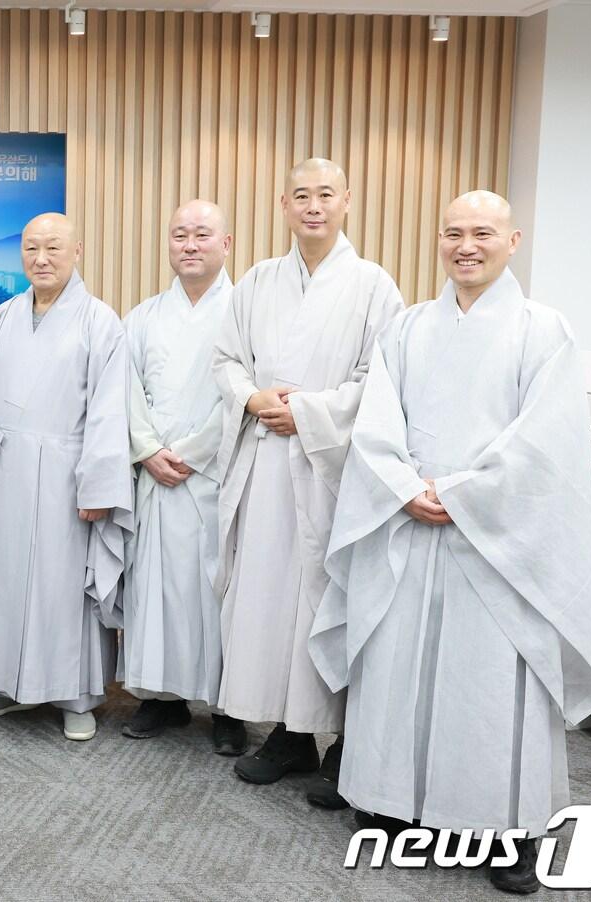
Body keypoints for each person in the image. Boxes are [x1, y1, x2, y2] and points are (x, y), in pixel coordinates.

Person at [310, 191, 591, 894]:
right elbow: (376, 423)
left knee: (491, 684)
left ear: (513, 240)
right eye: (453, 233)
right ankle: (393, 802)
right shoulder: (410, 329)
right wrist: (404, 487)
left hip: (499, 539)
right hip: (410, 519)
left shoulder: (544, 331)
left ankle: (510, 830)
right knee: (398, 667)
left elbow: (546, 446)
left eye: (482, 233)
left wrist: (464, 492)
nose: (465, 245)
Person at [212, 158, 402, 805]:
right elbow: (226, 359)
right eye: (302, 195)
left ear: (346, 201)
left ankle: (343, 740)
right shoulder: (260, 281)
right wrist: (255, 396)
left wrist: (309, 412)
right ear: (284, 205)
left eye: (325, 194)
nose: (313, 206)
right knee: (268, 598)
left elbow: (380, 380)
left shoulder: (375, 287)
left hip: (330, 471)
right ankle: (290, 735)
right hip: (266, 462)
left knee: (327, 599)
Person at [0, 212, 132, 742]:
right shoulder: (2, 318)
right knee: (7, 576)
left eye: (53, 248)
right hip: (7, 467)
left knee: (63, 585)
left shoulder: (100, 321)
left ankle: (75, 695)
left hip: (68, 473)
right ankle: (5, 683)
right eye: (32, 248)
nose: (42, 258)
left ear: (76, 251)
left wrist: (99, 485)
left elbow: (110, 410)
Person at [119, 200, 244, 754]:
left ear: (227, 244)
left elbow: (244, 393)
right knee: (157, 587)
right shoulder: (143, 316)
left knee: (218, 590)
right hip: (157, 474)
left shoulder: (246, 312)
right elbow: (123, 391)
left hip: (217, 474)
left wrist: (193, 453)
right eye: (179, 235)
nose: (189, 245)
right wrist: (147, 449)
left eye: (201, 235)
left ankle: (227, 707)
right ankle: (160, 698)